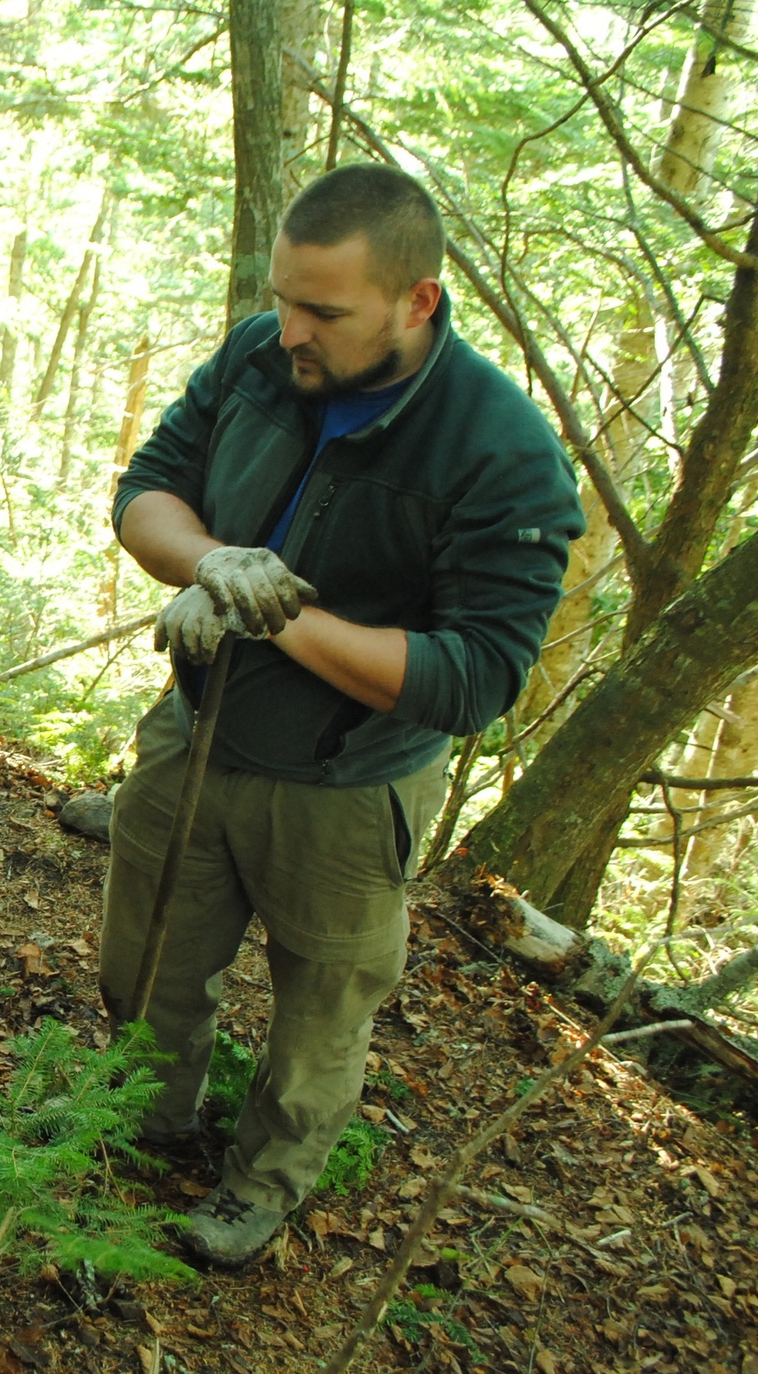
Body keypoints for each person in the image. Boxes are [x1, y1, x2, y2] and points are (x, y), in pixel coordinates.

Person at [103, 164, 585, 1266]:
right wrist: (210, 560)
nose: (288, 332)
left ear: (415, 301)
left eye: (322, 310)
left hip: (346, 784)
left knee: (320, 1010)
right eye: (280, 297)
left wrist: (273, 618)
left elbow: (475, 678)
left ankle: (258, 1185)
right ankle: (136, 1120)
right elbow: (146, 489)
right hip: (194, 731)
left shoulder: (498, 450)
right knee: (149, 960)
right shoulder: (257, 360)